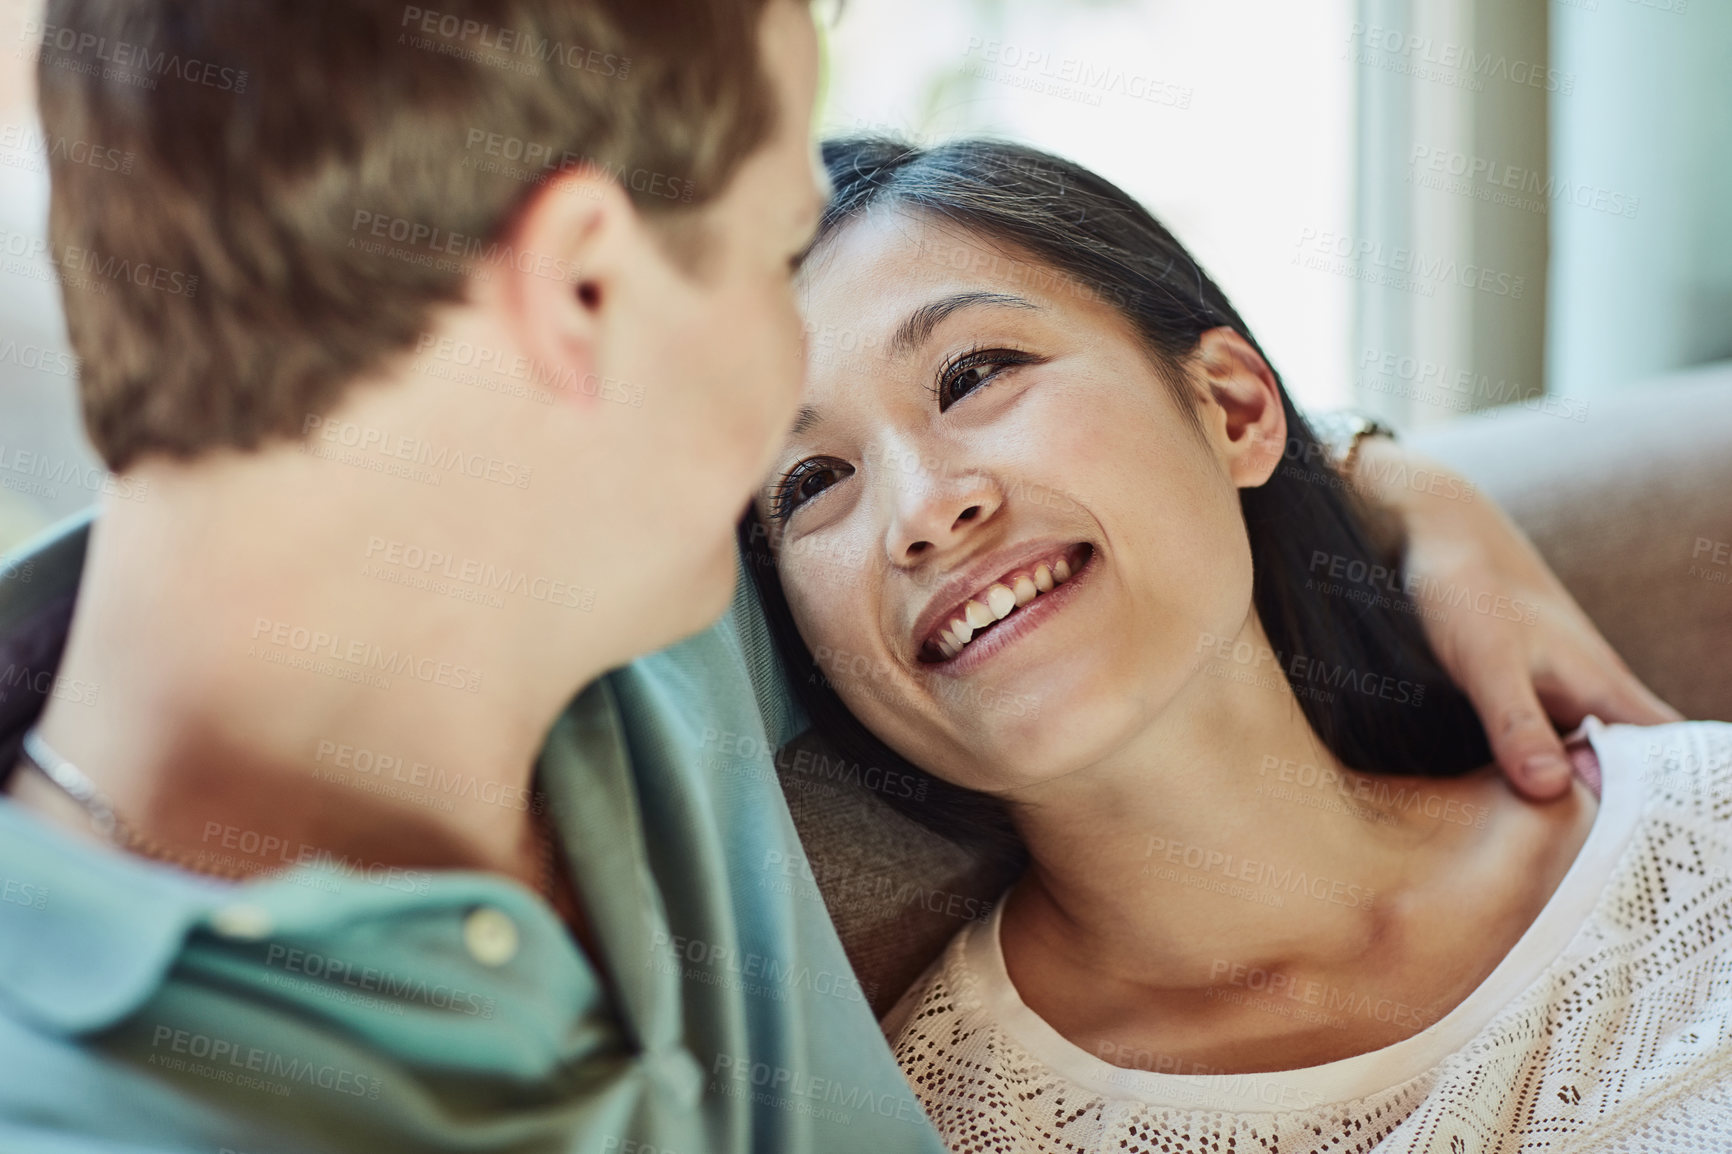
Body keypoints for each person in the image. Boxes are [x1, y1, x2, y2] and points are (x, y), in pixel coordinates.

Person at [0, 0, 1673, 1148]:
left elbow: (1112, 479)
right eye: (760, 253)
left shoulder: (619, 608)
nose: (904, 501)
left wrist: (1390, 485)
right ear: (583, 293)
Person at [742, 136, 1728, 1151]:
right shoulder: (922, 1128)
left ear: (1234, 406)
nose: (922, 509)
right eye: (810, 483)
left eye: (975, 373)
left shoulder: (1705, 826)